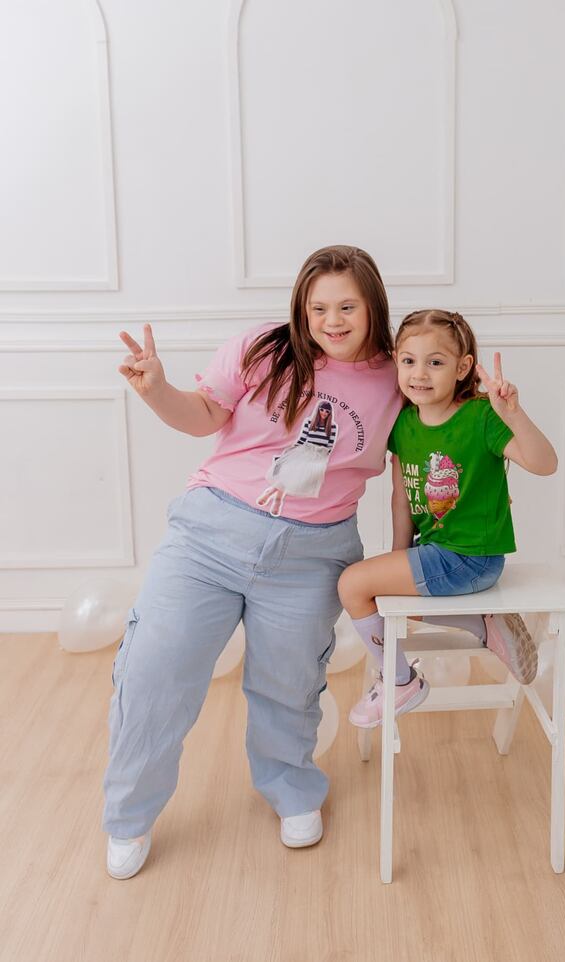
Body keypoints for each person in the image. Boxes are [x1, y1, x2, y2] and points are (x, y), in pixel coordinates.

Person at [103, 245, 402, 879]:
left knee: (290, 685)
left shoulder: (395, 375)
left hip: (313, 553)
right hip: (209, 535)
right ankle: (129, 815)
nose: (332, 320)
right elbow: (203, 413)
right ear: (301, 307)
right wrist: (158, 390)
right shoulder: (262, 348)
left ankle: (292, 791)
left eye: (347, 305)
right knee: (157, 667)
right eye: (318, 307)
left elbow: (431, 433)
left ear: (372, 305)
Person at [338, 309, 558, 729]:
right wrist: (397, 562)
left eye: (435, 362)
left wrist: (513, 414)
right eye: (409, 361)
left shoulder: (481, 418)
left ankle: (400, 681)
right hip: (438, 554)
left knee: (352, 585)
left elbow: (545, 464)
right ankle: (485, 626)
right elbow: (401, 499)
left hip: (472, 557)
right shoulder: (403, 424)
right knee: (381, 599)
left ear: (463, 368)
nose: (420, 373)